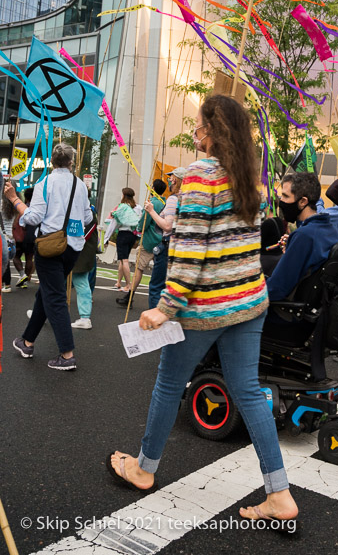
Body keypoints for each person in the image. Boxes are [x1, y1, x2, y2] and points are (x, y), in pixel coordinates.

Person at [108, 94, 298, 524]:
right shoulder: (250, 178)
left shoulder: (199, 175)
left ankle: (143, 468)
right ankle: (280, 493)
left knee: (168, 386)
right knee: (249, 393)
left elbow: (191, 250)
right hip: (249, 303)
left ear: (212, 130)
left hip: (205, 308)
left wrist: (165, 306)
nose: (195, 132)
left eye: (197, 125)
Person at [6, 143, 92, 370]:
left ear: (52, 162)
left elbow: (33, 217)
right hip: (73, 247)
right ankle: (27, 341)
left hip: (49, 247)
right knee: (47, 292)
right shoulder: (80, 185)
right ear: (71, 162)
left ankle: (67, 354)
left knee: (54, 297)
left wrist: (14, 199)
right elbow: (87, 218)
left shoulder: (45, 183)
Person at [265, 172, 338, 304]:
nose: (281, 201)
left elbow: (276, 289)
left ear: (303, 201)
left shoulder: (304, 236)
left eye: (285, 196)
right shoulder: (330, 231)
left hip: (289, 315)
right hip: (317, 311)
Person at [116, 178, 166, 308]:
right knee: (161, 271)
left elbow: (144, 221)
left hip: (149, 241)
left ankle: (130, 296)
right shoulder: (165, 202)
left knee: (139, 269)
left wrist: (138, 229)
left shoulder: (151, 203)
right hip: (162, 241)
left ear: (153, 189)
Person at [143, 167, 186, 309]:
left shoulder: (174, 199)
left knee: (157, 286)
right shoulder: (188, 199)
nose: (170, 180)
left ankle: (157, 323)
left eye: (172, 178)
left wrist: (151, 211)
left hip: (168, 245)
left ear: (176, 180)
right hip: (181, 246)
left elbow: (168, 226)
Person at [70, 210, 98, 329]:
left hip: (80, 252)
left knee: (80, 282)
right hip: (80, 251)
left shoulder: (87, 211)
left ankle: (85, 317)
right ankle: (42, 312)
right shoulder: (87, 209)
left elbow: (87, 232)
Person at [110, 188, 141, 296]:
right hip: (132, 235)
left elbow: (115, 223)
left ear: (123, 195)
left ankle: (128, 284)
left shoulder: (122, 207)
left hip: (123, 234)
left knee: (124, 260)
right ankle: (118, 282)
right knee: (123, 259)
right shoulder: (138, 207)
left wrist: (107, 237)